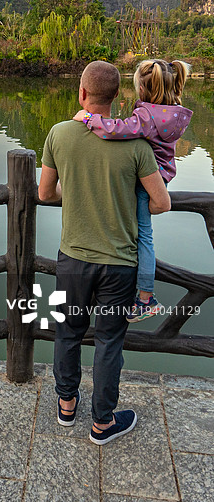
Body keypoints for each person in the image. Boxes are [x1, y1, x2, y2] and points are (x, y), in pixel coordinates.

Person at [39, 60, 170, 445]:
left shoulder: (59, 134)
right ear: (117, 99)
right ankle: (102, 423)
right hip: (120, 265)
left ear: (82, 94)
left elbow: (45, 193)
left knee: (67, 332)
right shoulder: (137, 144)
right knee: (109, 342)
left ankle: (66, 406)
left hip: (73, 260)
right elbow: (161, 203)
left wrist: (76, 193)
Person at [73, 59, 192, 322]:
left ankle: (145, 298)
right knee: (142, 232)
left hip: (147, 180)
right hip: (163, 175)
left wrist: (89, 118)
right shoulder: (173, 113)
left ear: (141, 89)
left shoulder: (146, 117)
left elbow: (116, 131)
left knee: (143, 236)